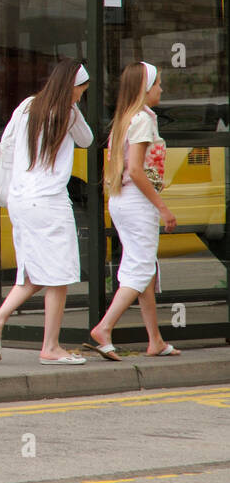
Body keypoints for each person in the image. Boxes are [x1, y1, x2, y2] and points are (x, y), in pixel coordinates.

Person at [0, 59, 93, 365]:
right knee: (60, 275)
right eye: (82, 89)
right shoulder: (68, 113)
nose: (82, 95)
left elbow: (8, 144)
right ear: (72, 86)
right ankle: (51, 347)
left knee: (34, 270)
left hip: (20, 200)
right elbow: (88, 140)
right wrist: (72, 105)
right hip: (49, 202)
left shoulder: (27, 106)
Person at [88, 62, 180, 360]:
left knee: (143, 269)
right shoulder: (142, 120)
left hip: (122, 199)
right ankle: (104, 327)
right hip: (137, 201)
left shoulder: (125, 118)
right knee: (140, 269)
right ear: (145, 88)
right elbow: (137, 171)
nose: (161, 90)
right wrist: (163, 208)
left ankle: (155, 340)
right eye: (158, 85)